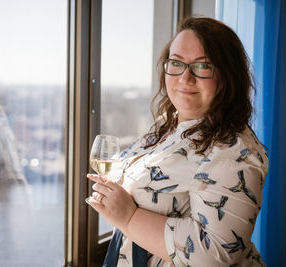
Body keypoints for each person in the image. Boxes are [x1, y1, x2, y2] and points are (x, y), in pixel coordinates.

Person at [86, 16, 268, 267]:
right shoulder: (166, 124)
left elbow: (214, 254)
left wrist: (128, 218)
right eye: (176, 63)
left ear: (228, 75)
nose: (185, 78)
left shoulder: (234, 151)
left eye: (203, 66)